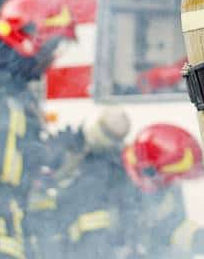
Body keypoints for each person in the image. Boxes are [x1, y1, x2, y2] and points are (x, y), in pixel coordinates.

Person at [0, 0, 76, 258]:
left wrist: (54, 152)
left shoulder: (14, 91)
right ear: (27, 38)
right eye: (52, 46)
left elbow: (14, 154)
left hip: (7, 226)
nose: (53, 58)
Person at [26, 106, 132, 259]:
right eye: (105, 131)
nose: (104, 138)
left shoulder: (113, 165)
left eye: (112, 137)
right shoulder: (65, 143)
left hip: (81, 237)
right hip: (45, 222)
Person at [122, 123, 204, 258]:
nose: (175, 183)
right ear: (150, 172)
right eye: (172, 178)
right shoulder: (108, 185)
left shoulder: (163, 186)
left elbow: (173, 231)